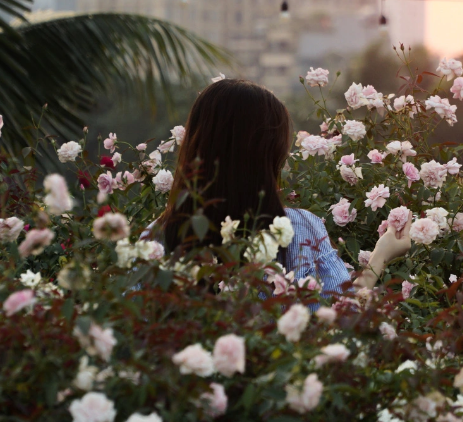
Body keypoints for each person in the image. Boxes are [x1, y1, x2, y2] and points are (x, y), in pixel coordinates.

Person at [154, 78, 409, 293]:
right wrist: (381, 255)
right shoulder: (300, 229)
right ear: (268, 156)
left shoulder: (158, 238)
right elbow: (345, 315)